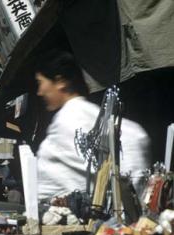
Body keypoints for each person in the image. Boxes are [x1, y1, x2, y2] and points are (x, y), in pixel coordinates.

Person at [35, 50, 150, 200]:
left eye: (40, 83)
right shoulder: (83, 115)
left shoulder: (69, 118)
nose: (39, 92)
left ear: (60, 82)